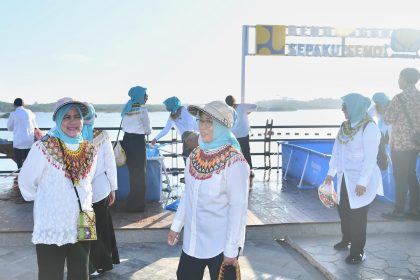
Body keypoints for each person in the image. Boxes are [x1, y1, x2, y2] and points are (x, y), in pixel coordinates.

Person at [167, 100, 249, 280]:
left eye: (209, 122)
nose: (202, 127)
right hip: (192, 240)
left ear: (222, 125)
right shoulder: (194, 156)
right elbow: (187, 194)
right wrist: (176, 226)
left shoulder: (235, 162)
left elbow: (238, 209)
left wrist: (230, 250)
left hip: (220, 245)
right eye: (200, 121)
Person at [18, 97, 95, 279]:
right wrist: (50, 200)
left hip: (85, 219)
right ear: (58, 119)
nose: (73, 121)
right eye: (66, 116)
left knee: (81, 274)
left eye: (77, 116)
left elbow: (88, 182)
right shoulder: (43, 147)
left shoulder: (89, 148)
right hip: (52, 223)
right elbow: (26, 183)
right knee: (50, 274)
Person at [324, 93, 383, 265]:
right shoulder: (345, 126)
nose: (342, 109)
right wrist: (330, 173)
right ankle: (346, 239)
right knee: (343, 210)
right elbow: (336, 151)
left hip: (360, 180)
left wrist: (363, 182)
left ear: (356, 106)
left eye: (345, 106)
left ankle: (358, 251)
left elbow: (371, 158)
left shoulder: (369, 127)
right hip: (344, 178)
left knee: (358, 215)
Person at [82, 104, 120, 278]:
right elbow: (110, 165)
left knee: (85, 228)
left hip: (80, 193)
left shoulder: (72, 136)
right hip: (100, 190)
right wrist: (113, 188)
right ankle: (103, 264)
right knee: (101, 227)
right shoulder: (103, 136)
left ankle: (86, 265)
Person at [382, 68, 420, 220]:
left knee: (400, 176)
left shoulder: (399, 98)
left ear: (404, 79)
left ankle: (398, 211)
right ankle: (415, 209)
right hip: (415, 144)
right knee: (411, 175)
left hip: (399, 145)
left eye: (399, 77)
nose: (398, 80)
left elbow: (387, 119)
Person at [121, 86, 151, 212]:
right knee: (139, 174)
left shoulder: (127, 107)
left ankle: (131, 202)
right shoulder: (142, 109)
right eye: (145, 95)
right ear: (140, 96)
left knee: (133, 173)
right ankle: (137, 205)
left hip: (127, 141)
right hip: (137, 142)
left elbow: (124, 126)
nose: (147, 97)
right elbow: (148, 129)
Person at [151, 96, 198, 162]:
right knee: (186, 157)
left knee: (192, 158)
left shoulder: (184, 111)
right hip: (185, 139)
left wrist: (190, 138)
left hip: (193, 138)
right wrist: (156, 139)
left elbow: (191, 125)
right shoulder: (172, 116)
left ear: (172, 105)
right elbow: (166, 129)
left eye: (167, 105)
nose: (166, 107)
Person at [225, 95, 257, 177]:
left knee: (232, 153)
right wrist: (247, 111)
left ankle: (233, 171)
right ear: (234, 100)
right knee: (246, 152)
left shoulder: (227, 110)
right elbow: (255, 106)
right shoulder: (241, 106)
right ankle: (249, 170)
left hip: (233, 134)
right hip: (243, 133)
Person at [7, 98, 40, 170]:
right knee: (29, 163)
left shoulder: (13, 114)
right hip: (29, 141)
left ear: (14, 105)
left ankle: (20, 176)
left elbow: (9, 128)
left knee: (19, 164)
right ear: (23, 104)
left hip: (18, 142)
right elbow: (34, 118)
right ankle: (29, 178)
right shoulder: (29, 112)